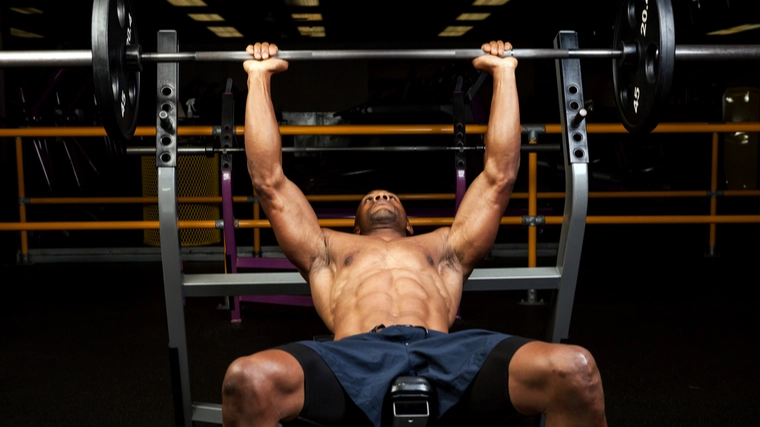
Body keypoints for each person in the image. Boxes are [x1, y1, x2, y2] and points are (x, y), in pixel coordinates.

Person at [222, 41, 607, 427]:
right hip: (355, 355)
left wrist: (503, 73)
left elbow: (498, 178)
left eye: (389, 195)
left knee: (575, 369)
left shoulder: (444, 246)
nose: (381, 195)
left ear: (410, 225)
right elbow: (269, 182)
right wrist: (258, 78)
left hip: (447, 351)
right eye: (371, 197)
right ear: (355, 225)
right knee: (248, 379)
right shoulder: (327, 248)